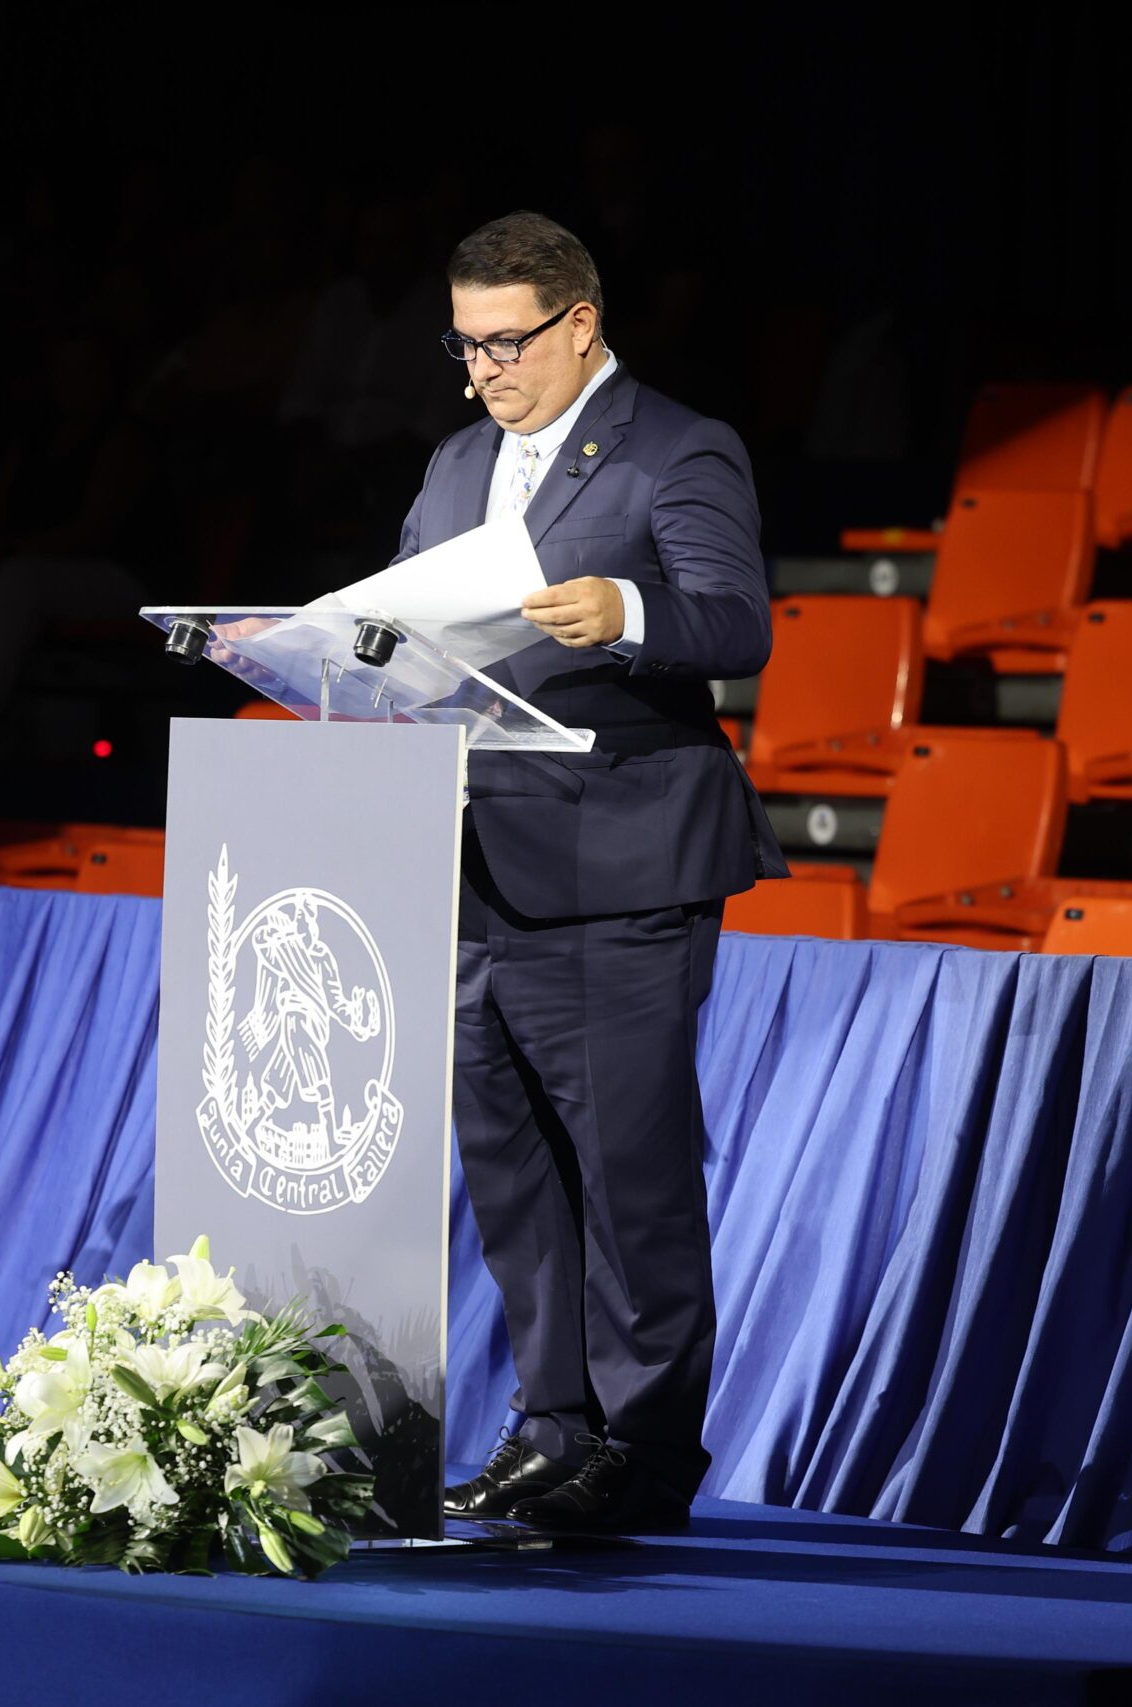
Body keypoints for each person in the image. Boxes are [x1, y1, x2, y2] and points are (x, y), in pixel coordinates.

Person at [395, 211, 785, 1532]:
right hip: (472, 864)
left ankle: (645, 1449)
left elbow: (738, 624)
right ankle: (553, 1424)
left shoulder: (679, 448)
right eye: (464, 344)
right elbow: (401, 629)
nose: (482, 372)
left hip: (621, 865)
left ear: (581, 325)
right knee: (511, 1174)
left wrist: (628, 614)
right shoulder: (457, 465)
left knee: (630, 1174)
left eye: (507, 343)